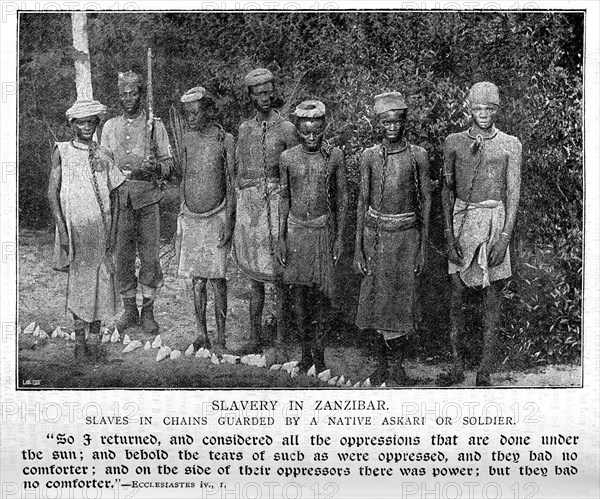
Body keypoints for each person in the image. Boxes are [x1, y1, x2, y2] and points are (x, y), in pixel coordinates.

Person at [438, 82, 522, 387]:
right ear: (468, 108)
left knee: (492, 298)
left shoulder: (510, 144)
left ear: (497, 110)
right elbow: (446, 191)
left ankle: (485, 369)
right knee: (456, 296)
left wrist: (504, 237)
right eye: (477, 108)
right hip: (463, 220)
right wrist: (449, 235)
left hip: (495, 221)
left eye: (489, 109)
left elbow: (513, 193)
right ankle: (456, 365)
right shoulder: (454, 142)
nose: (483, 114)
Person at [353, 92, 432, 386]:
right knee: (376, 301)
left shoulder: (417, 156)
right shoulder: (370, 156)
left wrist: (423, 248)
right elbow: (362, 200)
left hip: (406, 238)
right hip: (376, 237)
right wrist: (358, 248)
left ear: (404, 122)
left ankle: (398, 367)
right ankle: (381, 366)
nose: (392, 127)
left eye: (397, 121)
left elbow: (426, 200)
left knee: (402, 302)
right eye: (386, 122)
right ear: (379, 123)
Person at [48, 99, 125, 361]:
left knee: (102, 283)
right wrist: (62, 229)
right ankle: (79, 341)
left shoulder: (104, 153)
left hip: (100, 227)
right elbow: (52, 194)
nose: (87, 127)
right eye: (81, 122)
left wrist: (113, 231)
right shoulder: (62, 151)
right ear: (72, 124)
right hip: (75, 227)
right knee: (80, 284)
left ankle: (95, 340)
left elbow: (115, 194)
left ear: (97, 123)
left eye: (92, 122)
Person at [277, 100, 348, 373]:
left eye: (316, 131)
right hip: (296, 232)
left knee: (322, 297)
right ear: (297, 129)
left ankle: (319, 354)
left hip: (322, 231)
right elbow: (284, 197)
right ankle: (305, 351)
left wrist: (339, 237)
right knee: (298, 296)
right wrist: (281, 238)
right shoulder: (288, 158)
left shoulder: (334, 156)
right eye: (305, 131)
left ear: (324, 127)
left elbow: (342, 198)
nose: (311, 137)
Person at [102, 70, 174, 336]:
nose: (128, 98)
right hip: (121, 198)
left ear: (141, 95)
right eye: (124, 94)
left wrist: (157, 167)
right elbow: (103, 164)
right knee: (122, 255)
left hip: (148, 199)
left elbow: (169, 165)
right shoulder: (110, 127)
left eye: (133, 93)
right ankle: (129, 310)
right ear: (118, 96)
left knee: (150, 257)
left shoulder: (155, 126)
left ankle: (148, 312)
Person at [232, 68, 298, 354]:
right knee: (254, 279)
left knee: (279, 279)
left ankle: (283, 340)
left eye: (268, 92)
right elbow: (239, 170)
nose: (265, 98)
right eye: (258, 93)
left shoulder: (286, 129)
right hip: (251, 210)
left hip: (277, 206)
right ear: (250, 96)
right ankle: (255, 338)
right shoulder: (245, 129)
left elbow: (296, 170)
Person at [174, 86, 235, 353]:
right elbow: (184, 178)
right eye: (187, 114)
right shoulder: (187, 139)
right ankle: (202, 334)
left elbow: (232, 185)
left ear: (209, 111)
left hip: (217, 217)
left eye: (196, 113)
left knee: (217, 279)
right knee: (196, 280)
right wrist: (180, 216)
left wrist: (229, 222)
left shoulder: (225, 139)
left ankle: (221, 337)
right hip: (191, 217)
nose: (191, 118)